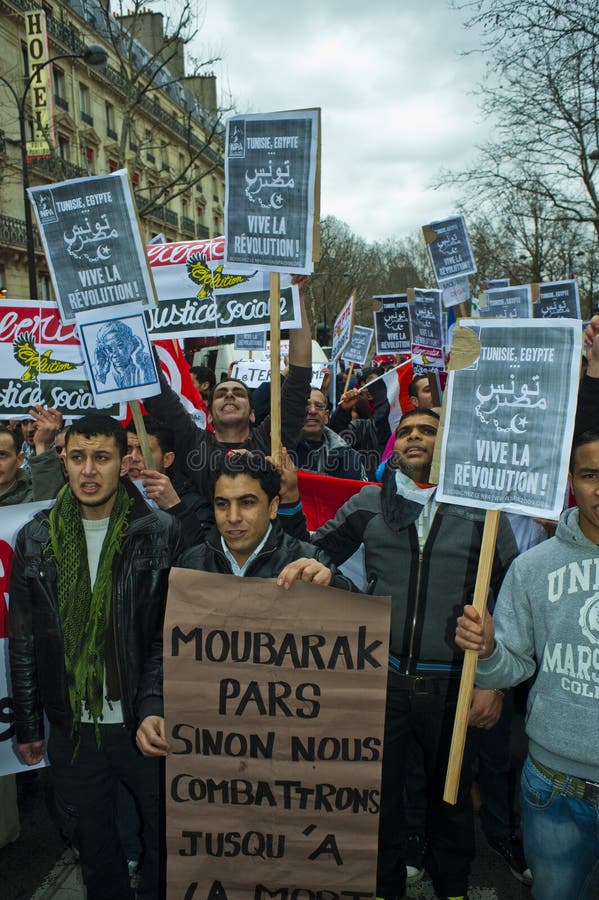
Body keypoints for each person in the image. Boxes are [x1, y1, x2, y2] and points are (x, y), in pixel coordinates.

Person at [283, 408, 518, 900]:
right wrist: (298, 527)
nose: (414, 437)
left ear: (445, 444)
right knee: (379, 801)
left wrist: (493, 682)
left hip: (453, 685)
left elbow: (514, 602)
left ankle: (453, 887)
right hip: (381, 681)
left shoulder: (484, 510)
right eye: (406, 431)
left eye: (427, 430)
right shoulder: (370, 501)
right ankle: (386, 888)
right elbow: (311, 550)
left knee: (451, 801)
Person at [8, 414, 184, 900]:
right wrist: (28, 725)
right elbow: (23, 638)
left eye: (101, 458)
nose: (89, 470)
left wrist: (154, 707)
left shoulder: (160, 532)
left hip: (142, 723)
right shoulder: (36, 537)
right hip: (72, 726)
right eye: (78, 457)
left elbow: (171, 634)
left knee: (164, 838)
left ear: (124, 461)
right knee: (93, 845)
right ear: (62, 460)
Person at [455, 426, 599, 900]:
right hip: (555, 789)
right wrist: (490, 650)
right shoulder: (534, 568)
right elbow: (508, 670)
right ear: (571, 484)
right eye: (590, 474)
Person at [135, 451, 354, 757]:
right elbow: (167, 645)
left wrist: (336, 587)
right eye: (222, 504)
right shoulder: (191, 564)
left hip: (288, 745)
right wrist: (152, 706)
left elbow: (359, 639)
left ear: (274, 507)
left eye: (247, 503)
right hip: (210, 748)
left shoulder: (307, 562)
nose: (233, 517)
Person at [144, 280, 313, 496]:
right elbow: (156, 391)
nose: (230, 395)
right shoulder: (193, 442)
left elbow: (299, 378)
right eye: (221, 394)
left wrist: (296, 299)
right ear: (210, 417)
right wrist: (140, 308)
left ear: (253, 414)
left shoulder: (270, 440)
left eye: (239, 393)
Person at [295, 387, 367, 480]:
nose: (312, 411)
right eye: (306, 405)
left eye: (319, 406)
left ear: (326, 416)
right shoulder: (281, 451)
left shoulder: (350, 458)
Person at [0, 407, 64, 503]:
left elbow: (47, 499)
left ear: (19, 459)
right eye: (25, 423)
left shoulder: (32, 499)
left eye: (2, 455)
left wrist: (42, 444)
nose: (30, 429)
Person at [94, 320, 155, 389]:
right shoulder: (101, 370)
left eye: (120, 346)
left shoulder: (146, 360)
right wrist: (101, 375)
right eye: (109, 349)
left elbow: (151, 390)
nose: (115, 354)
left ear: (130, 343)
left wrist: (140, 365)